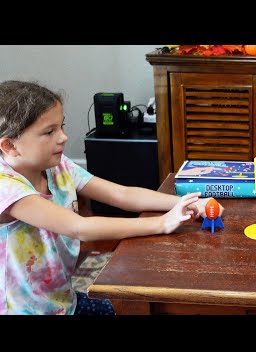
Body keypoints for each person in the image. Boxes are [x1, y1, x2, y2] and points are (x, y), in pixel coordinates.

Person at [0, 80, 224, 315]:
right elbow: (80, 227)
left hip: (59, 300)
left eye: (61, 127)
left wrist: (186, 202)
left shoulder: (57, 166)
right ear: (9, 145)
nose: (63, 137)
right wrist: (162, 223)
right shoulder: (7, 188)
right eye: (49, 132)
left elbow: (122, 194)